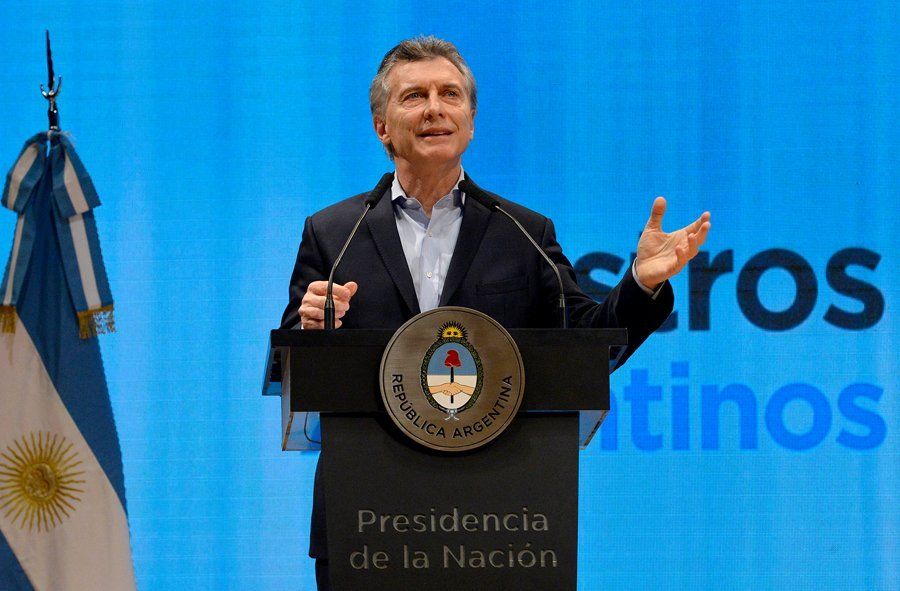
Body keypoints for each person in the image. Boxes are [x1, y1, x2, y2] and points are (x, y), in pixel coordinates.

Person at [281, 36, 710, 591]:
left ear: (471, 121)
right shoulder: (335, 232)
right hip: (366, 519)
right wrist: (312, 327)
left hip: (499, 522)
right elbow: (292, 359)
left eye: (450, 94)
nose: (435, 109)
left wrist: (641, 282)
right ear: (382, 126)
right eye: (414, 96)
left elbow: (589, 341)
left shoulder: (523, 232)